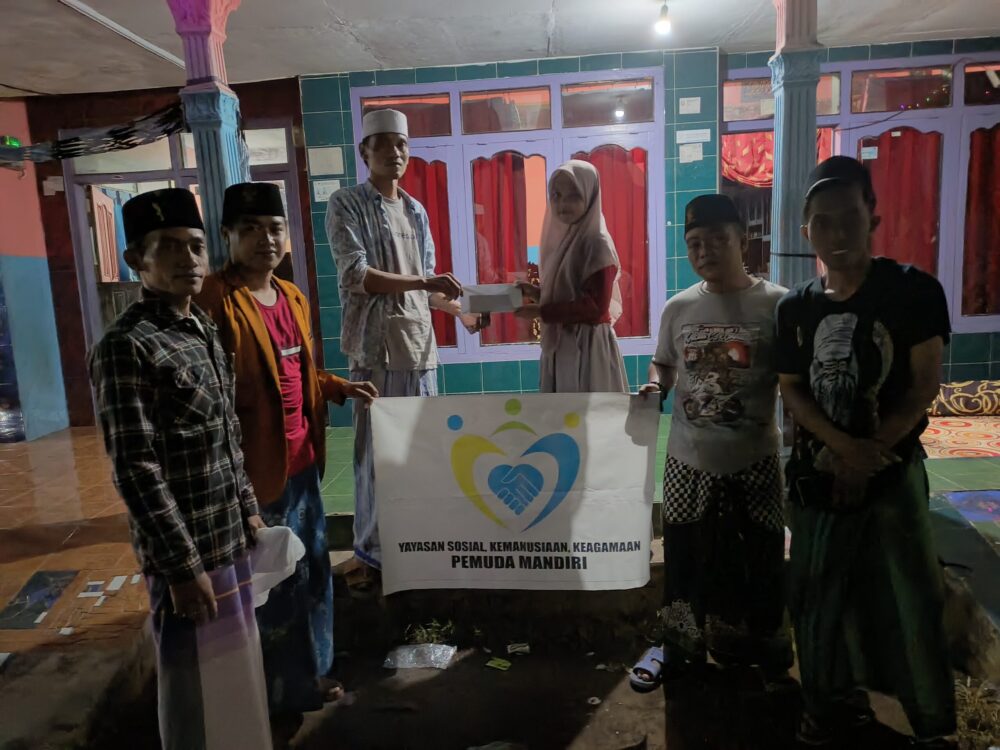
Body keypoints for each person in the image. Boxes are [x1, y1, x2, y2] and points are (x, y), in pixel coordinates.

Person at [776, 156, 956, 749]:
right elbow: (792, 389)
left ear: (873, 216)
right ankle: (827, 707)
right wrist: (842, 448)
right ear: (807, 231)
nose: (838, 232)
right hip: (819, 476)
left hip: (892, 471)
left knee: (911, 597)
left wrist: (870, 450)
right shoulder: (795, 308)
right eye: (823, 222)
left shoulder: (913, 291)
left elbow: (924, 384)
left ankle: (932, 726)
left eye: (850, 216)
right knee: (816, 598)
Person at [88, 188, 271, 750]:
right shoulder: (127, 347)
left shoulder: (202, 330)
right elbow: (136, 468)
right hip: (187, 555)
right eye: (168, 246)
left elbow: (226, 435)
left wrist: (248, 511)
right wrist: (182, 569)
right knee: (194, 696)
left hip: (228, 540)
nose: (188, 259)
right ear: (135, 260)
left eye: (194, 245)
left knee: (236, 682)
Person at [196, 182, 377, 746]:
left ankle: (313, 672)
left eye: (274, 229)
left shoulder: (291, 296)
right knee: (271, 589)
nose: (265, 240)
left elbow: (295, 371)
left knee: (313, 572)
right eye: (250, 229)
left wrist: (337, 386)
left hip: (303, 464)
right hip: (255, 474)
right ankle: (275, 692)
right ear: (227, 236)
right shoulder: (215, 300)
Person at [629, 194, 792, 693]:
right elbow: (664, 362)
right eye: (695, 243)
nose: (705, 251)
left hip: (755, 459)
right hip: (687, 460)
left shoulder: (778, 305)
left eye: (718, 239)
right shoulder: (678, 307)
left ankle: (768, 651)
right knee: (683, 558)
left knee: (762, 557)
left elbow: (794, 382)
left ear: (743, 240)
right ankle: (678, 646)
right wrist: (655, 384)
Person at [326, 109, 482, 592]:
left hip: (419, 350)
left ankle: (418, 544)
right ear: (365, 151)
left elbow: (428, 287)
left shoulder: (415, 210)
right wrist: (424, 282)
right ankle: (371, 555)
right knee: (376, 456)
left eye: (402, 144)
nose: (395, 152)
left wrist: (460, 312)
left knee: (420, 453)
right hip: (375, 351)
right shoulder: (346, 203)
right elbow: (357, 276)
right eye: (385, 144)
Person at [516, 159, 627, 393]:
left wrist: (541, 312)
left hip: (587, 347)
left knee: (586, 411)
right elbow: (568, 294)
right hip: (565, 342)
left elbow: (595, 308)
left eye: (573, 195)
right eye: (556, 195)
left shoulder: (596, 242)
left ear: (590, 195)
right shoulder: (567, 239)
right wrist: (535, 293)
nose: (562, 203)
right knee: (563, 412)